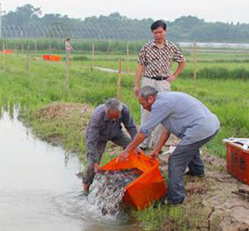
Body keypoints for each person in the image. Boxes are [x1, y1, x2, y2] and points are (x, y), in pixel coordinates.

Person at [120, 86, 219, 205]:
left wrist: (127, 150)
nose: (143, 107)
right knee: (189, 145)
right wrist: (157, 149)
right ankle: (197, 171)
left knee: (175, 160)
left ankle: (174, 199)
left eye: (142, 103)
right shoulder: (166, 99)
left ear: (150, 99)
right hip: (210, 125)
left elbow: (144, 131)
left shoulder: (160, 105)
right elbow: (167, 128)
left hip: (202, 128)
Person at [133, 20, 186, 150]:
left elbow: (182, 61)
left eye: (160, 32)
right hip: (148, 80)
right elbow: (140, 66)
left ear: (165, 32)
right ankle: (144, 142)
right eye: (155, 33)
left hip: (163, 82)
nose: (158, 35)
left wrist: (173, 76)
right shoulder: (147, 47)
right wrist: (136, 85)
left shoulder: (172, 47)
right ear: (152, 33)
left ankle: (157, 144)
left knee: (163, 111)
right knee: (146, 111)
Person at [83, 98, 138, 193]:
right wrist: (95, 161)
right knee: (91, 165)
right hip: (99, 137)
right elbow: (91, 140)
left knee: (132, 147)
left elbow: (131, 127)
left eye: (116, 117)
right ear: (106, 112)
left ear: (120, 112)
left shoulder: (124, 110)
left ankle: (130, 172)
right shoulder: (97, 116)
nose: (114, 119)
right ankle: (85, 189)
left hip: (116, 132)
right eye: (111, 117)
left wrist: (136, 144)